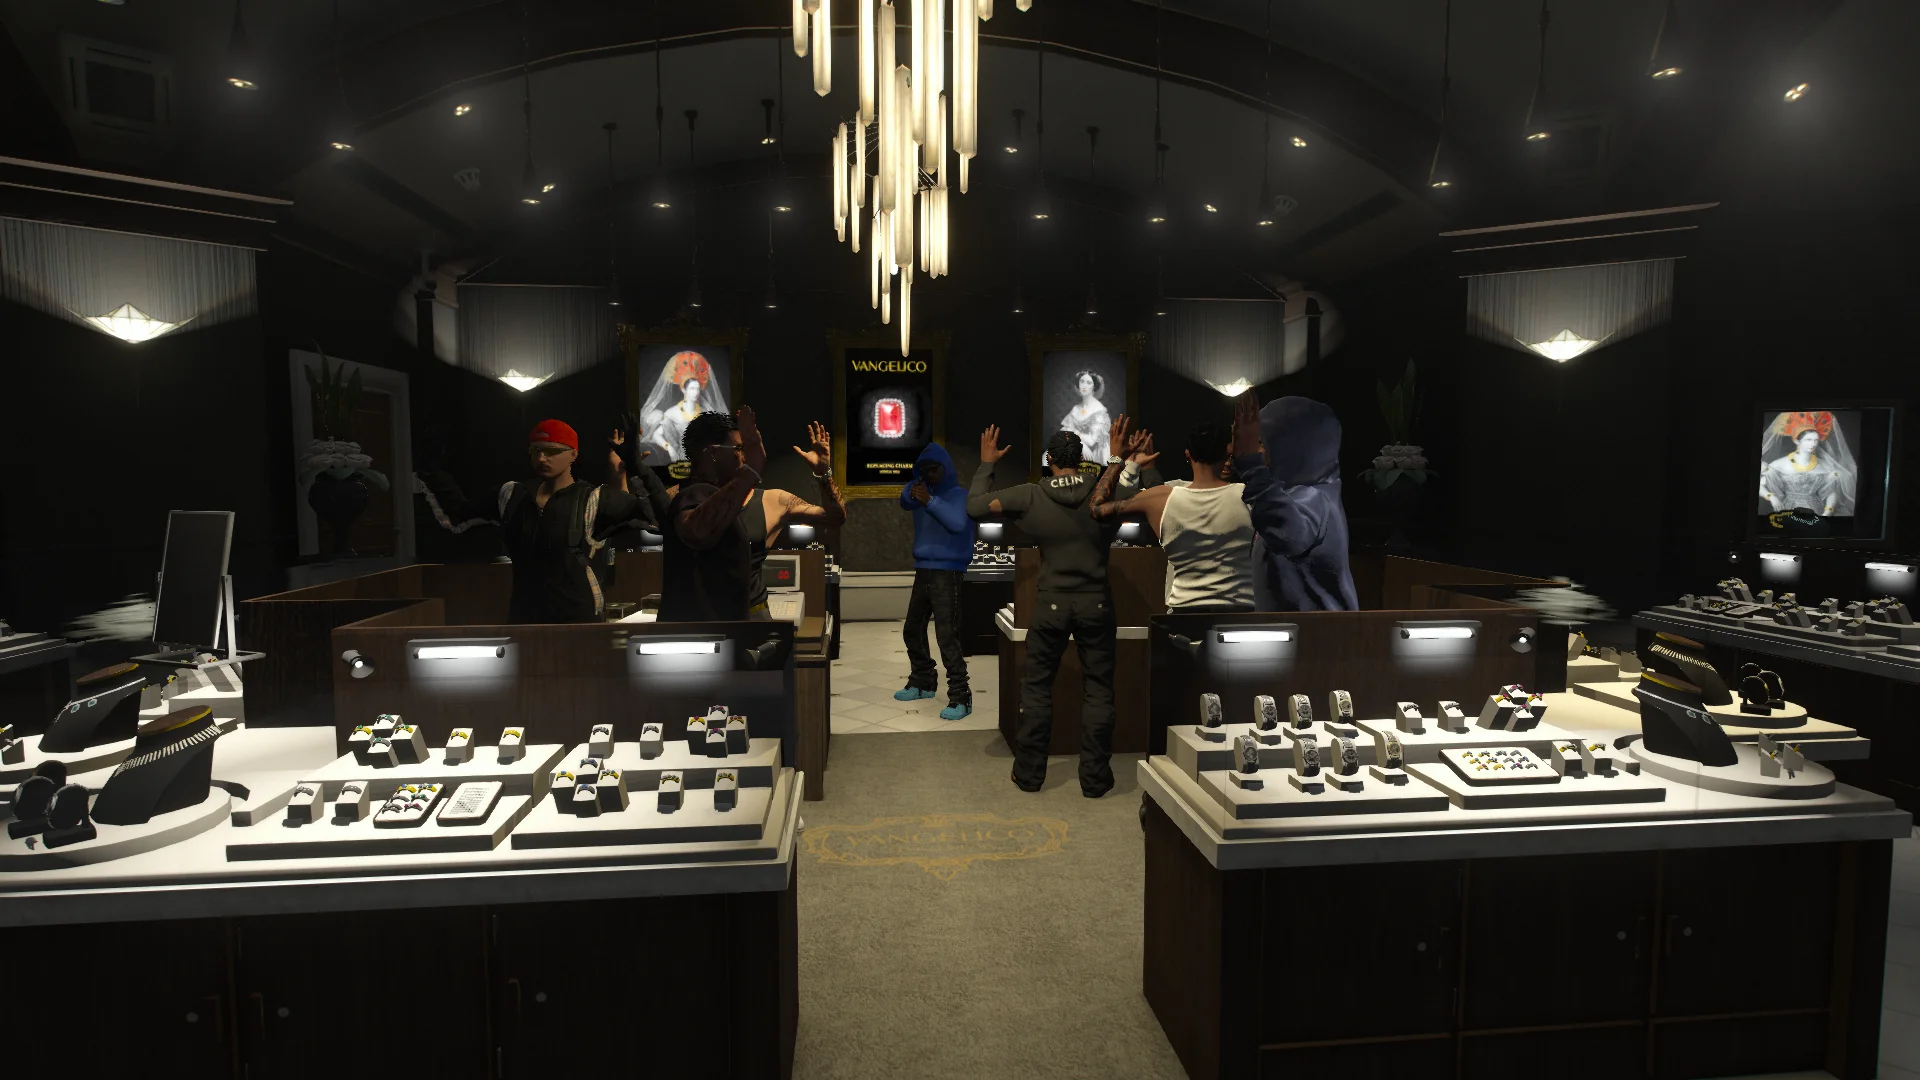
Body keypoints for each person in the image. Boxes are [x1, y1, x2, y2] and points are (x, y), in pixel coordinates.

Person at [968, 419, 1140, 797]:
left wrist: (987, 464)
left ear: (1050, 460)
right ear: (1081, 458)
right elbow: (1140, 494)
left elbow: (975, 507)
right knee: (1099, 690)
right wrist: (1126, 461)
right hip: (1096, 602)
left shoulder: (1031, 495)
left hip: (1051, 604)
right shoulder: (1104, 489)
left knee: (1036, 689)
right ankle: (1095, 781)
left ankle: (1029, 775)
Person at [417, 419, 654, 623]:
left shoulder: (592, 499)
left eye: (552, 451)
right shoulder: (512, 496)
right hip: (524, 622)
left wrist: (635, 470)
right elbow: (458, 517)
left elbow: (652, 516)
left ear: (573, 454)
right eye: (536, 450)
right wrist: (432, 472)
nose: (542, 458)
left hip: (579, 625)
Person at [1089, 419, 1255, 613]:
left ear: (1188, 455)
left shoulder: (1161, 498)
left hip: (1184, 615)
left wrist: (1117, 460)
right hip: (1241, 613)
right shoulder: (1251, 495)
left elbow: (1097, 509)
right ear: (1227, 454)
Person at [1231, 390, 1358, 611]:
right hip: (1299, 630)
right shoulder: (1303, 496)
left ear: (1291, 448)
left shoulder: (1313, 499)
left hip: (1314, 632)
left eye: (1261, 443)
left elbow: (1288, 535)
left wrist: (1251, 465)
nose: (1257, 451)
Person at [733, 409, 846, 619]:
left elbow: (835, 518)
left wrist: (823, 474)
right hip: (702, 616)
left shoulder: (774, 501)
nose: (743, 455)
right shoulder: (688, 498)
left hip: (754, 613)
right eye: (737, 448)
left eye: (746, 448)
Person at [894, 442, 975, 719]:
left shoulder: (960, 496)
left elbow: (957, 523)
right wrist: (917, 486)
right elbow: (904, 500)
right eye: (924, 470)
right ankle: (923, 682)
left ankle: (961, 696)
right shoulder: (921, 494)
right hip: (924, 570)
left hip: (948, 573)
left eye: (934, 469)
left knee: (947, 635)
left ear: (946, 468)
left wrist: (929, 501)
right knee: (912, 630)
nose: (930, 474)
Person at [658, 411, 760, 622]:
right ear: (713, 453)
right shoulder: (695, 493)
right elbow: (696, 532)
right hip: (705, 635)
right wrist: (751, 472)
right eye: (738, 448)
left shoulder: (707, 495)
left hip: (709, 634)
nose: (744, 457)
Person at [1759, 411, 1854, 517]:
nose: (1813, 444)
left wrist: (1828, 511)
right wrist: (1771, 497)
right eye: (1808, 440)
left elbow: (1832, 491)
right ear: (1797, 441)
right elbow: (1759, 485)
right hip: (1787, 512)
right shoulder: (1779, 464)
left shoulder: (1825, 466)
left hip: (1817, 512)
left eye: (1816, 440)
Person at [1058, 370, 1111, 460]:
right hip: (1080, 447)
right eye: (1082, 381)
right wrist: (1081, 444)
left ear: (1094, 387)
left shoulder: (1099, 410)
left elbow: (1091, 441)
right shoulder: (1076, 408)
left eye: (1088, 383)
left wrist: (1074, 432)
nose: (1084, 386)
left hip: (1095, 454)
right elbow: (1064, 430)